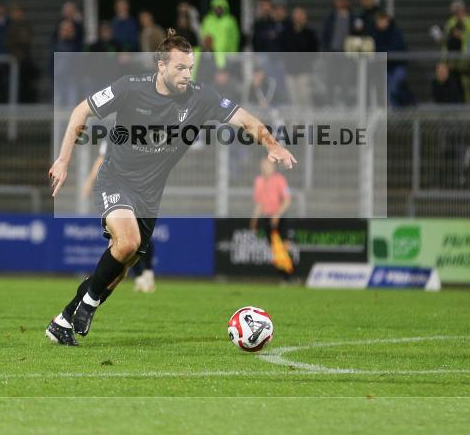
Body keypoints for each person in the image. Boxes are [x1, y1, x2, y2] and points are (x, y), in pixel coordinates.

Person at [46, 32, 296, 346]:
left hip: (150, 195)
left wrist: (272, 145)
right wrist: (64, 160)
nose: (187, 75)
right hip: (116, 180)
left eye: (190, 68)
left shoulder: (200, 97)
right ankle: (89, 304)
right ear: (161, 66)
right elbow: (80, 111)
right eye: (180, 68)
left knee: (122, 265)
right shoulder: (130, 87)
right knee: (127, 243)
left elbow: (246, 121)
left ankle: (64, 320)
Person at [81, 138, 156, 293]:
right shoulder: (114, 137)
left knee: (135, 238)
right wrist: (89, 182)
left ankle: (145, 273)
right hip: (118, 190)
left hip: (140, 191)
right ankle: (140, 275)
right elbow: (101, 160)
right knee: (123, 241)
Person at [250, 157, 293, 278]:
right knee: (275, 249)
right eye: (263, 165)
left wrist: (277, 214)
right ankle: (283, 276)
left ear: (273, 167)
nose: (265, 168)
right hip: (267, 217)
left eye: (267, 165)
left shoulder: (280, 180)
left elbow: (287, 200)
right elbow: (259, 203)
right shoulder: (258, 181)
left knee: (285, 246)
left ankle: (290, 273)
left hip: (280, 216)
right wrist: (254, 218)